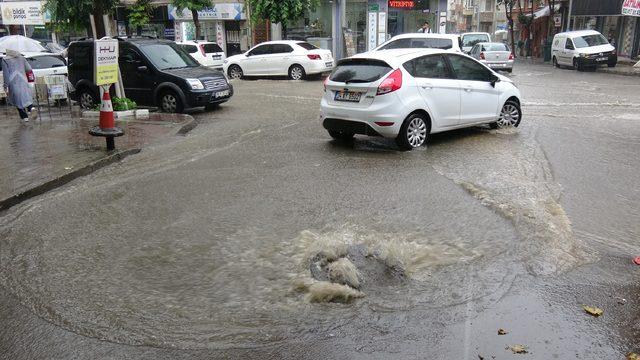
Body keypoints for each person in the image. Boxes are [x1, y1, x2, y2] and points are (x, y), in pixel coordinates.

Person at [1, 48, 37, 122]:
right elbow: (29, 69)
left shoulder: (5, 60)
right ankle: (31, 108)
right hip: (23, 80)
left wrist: (5, 85)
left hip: (13, 82)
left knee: (17, 100)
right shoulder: (22, 58)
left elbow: (6, 74)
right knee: (26, 97)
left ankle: (25, 117)